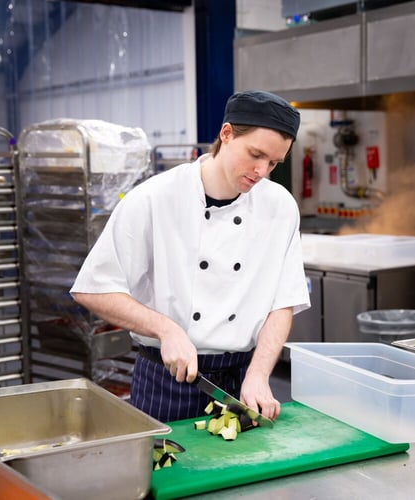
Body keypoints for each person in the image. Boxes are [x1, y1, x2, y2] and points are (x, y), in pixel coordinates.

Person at [70, 90, 310, 423]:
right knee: (164, 474)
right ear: (226, 134)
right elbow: (93, 288)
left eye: (273, 162)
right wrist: (166, 329)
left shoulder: (280, 206)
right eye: (255, 154)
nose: (261, 171)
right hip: (166, 381)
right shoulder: (155, 198)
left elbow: (283, 302)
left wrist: (258, 374)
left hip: (241, 381)